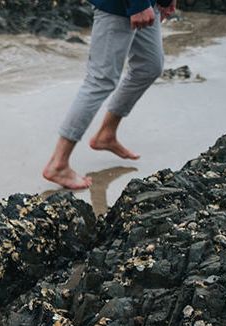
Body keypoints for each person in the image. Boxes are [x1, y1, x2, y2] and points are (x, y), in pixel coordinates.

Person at [43, 0, 177, 190]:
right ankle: (58, 164)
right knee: (100, 80)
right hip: (119, 5)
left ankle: (106, 134)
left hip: (149, 3)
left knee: (149, 67)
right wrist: (138, 5)